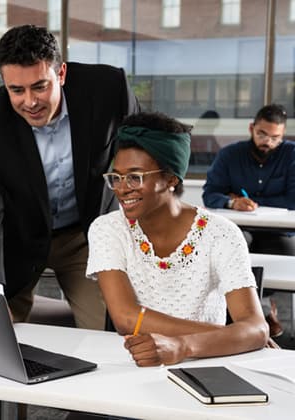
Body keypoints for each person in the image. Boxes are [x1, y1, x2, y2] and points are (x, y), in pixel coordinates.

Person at [0, 24, 140, 332]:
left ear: (61, 74)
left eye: (39, 86)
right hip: (18, 238)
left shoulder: (108, 89)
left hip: (85, 237)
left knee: (108, 335)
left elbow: (149, 143)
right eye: (16, 90)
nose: (29, 102)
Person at [86, 111, 268, 367]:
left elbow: (255, 329)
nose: (122, 188)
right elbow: (126, 318)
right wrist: (236, 336)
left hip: (207, 365)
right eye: (116, 177)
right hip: (131, 363)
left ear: (171, 178)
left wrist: (184, 346)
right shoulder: (108, 228)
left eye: (135, 177)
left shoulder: (222, 234)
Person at [202, 103, 295, 337]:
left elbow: (293, 200)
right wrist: (231, 202)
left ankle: (274, 317)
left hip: (279, 232)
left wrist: (253, 200)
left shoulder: (291, 154)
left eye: (276, 138)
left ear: (283, 135)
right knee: (234, 249)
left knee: (285, 251)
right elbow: (210, 194)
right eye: (262, 134)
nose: (268, 142)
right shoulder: (230, 154)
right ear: (251, 128)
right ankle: (246, 316)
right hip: (239, 227)